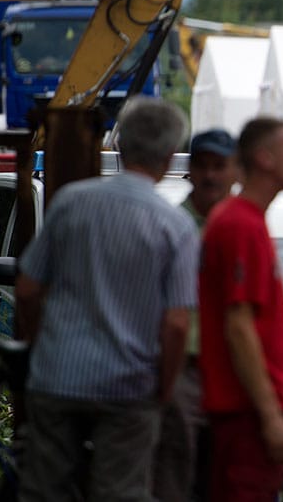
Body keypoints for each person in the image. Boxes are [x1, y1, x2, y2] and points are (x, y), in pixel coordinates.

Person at [15, 96, 198, 501]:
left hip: (57, 378)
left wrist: (41, 346)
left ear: (118, 145)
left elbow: (27, 290)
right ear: (169, 157)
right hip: (129, 389)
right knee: (121, 493)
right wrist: (163, 391)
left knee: (45, 491)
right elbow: (176, 323)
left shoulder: (70, 203)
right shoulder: (176, 227)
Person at [199, 118, 283, 502]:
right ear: (265, 158)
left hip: (246, 414)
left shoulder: (246, 220)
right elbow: (238, 326)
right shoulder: (240, 224)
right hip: (245, 416)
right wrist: (271, 416)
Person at [154, 128, 239, 502]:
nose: (210, 175)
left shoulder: (243, 226)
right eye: (202, 165)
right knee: (177, 479)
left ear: (234, 171)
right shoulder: (172, 225)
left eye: (219, 166)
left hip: (231, 370)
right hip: (183, 368)